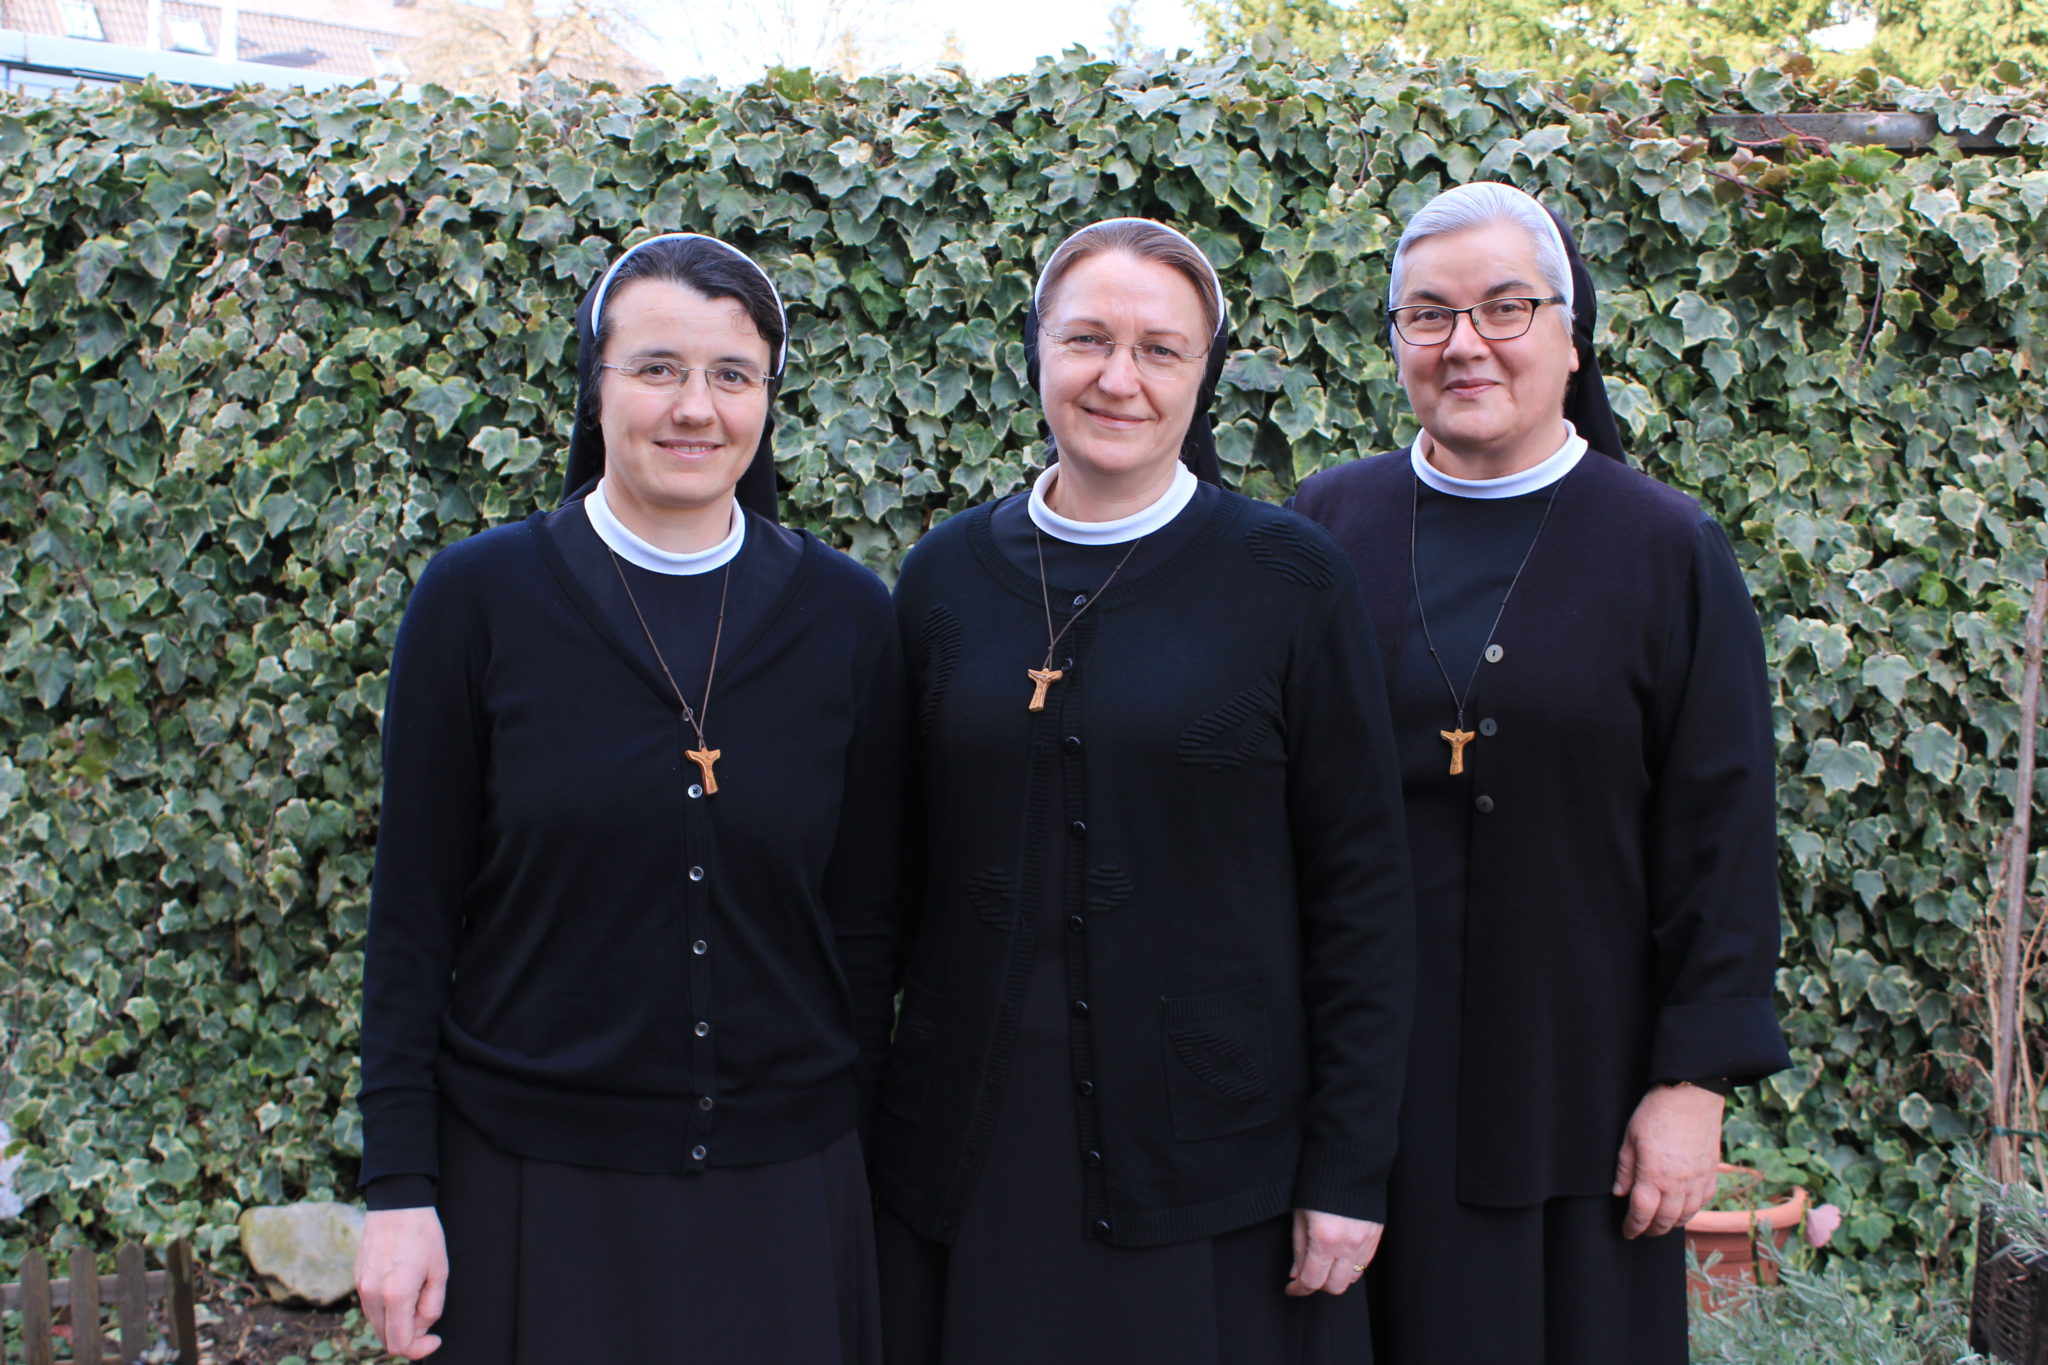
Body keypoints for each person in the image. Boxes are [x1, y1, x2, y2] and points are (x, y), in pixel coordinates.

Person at [351, 233, 903, 1363]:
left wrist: (858, 1168)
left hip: (783, 1191)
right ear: (593, 387)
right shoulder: (477, 601)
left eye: (732, 374)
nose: (695, 407)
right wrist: (398, 1187)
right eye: (656, 368)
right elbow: (411, 919)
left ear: (766, 399)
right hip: (534, 1186)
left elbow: (864, 928)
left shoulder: (849, 618)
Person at [874, 217, 1415, 1365]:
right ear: (1033, 349)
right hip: (975, 1155)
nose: (1117, 379)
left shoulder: (1288, 579)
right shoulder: (939, 580)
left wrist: (1347, 1164)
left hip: (1216, 1162)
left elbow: (1361, 892)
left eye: (1159, 350)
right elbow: (885, 885)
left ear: (1203, 372)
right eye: (1085, 340)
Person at [1293, 181, 1793, 1364]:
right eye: (1427, 314)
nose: (1463, 344)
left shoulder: (1664, 546)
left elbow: (1720, 831)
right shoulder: (1325, 524)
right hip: (1360, 1084)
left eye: (1504, 308)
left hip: (1577, 1080)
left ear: (1572, 336)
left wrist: (1692, 1084)